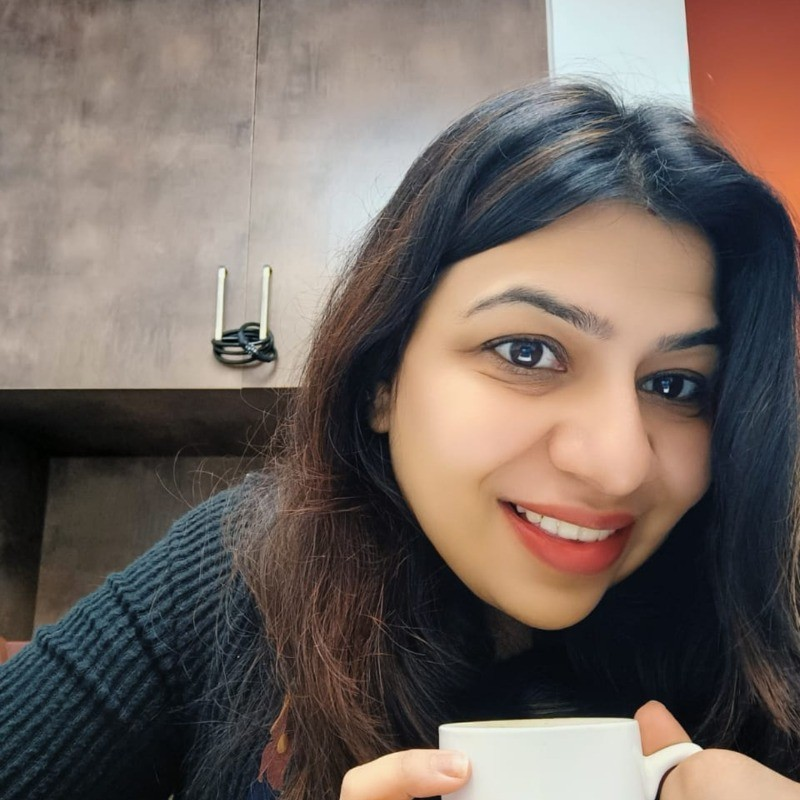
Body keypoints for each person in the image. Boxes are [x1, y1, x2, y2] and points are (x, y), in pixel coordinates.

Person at [1, 78, 799, 800]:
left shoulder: (763, 629)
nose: (620, 465)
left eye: (676, 385)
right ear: (382, 376)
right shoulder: (247, 565)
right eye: (527, 352)